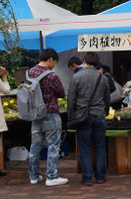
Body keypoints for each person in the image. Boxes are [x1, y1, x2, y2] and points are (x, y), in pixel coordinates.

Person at [67, 52, 111, 186]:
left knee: (84, 148)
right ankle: (100, 176)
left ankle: (86, 177)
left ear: (84, 61)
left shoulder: (77, 77)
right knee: (100, 147)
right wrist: (105, 111)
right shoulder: (102, 78)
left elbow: (71, 99)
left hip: (82, 116)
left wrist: (71, 115)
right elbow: (107, 98)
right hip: (99, 115)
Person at [28, 48, 69, 186]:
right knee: (53, 145)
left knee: (35, 145)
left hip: (35, 114)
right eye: (54, 62)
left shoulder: (29, 73)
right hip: (50, 113)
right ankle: (51, 176)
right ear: (50, 59)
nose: (54, 65)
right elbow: (61, 93)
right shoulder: (52, 76)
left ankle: (34, 176)